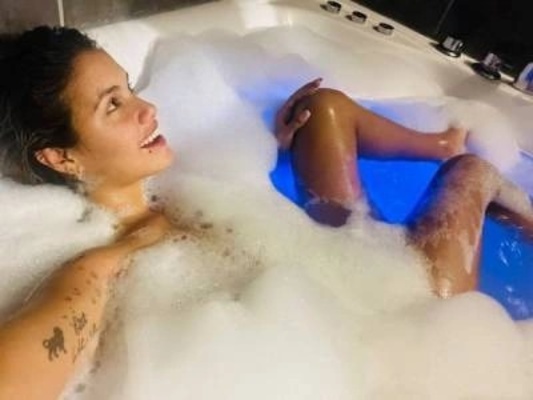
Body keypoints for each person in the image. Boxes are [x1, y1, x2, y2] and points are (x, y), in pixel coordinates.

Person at [0, 26, 530, 399]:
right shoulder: (103, 264)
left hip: (346, 261)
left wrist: (267, 145)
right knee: (471, 172)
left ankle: (442, 140)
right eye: (113, 105)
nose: (148, 109)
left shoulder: (182, 178)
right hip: (407, 318)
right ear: (60, 158)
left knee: (322, 108)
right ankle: (463, 164)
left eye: (130, 88)